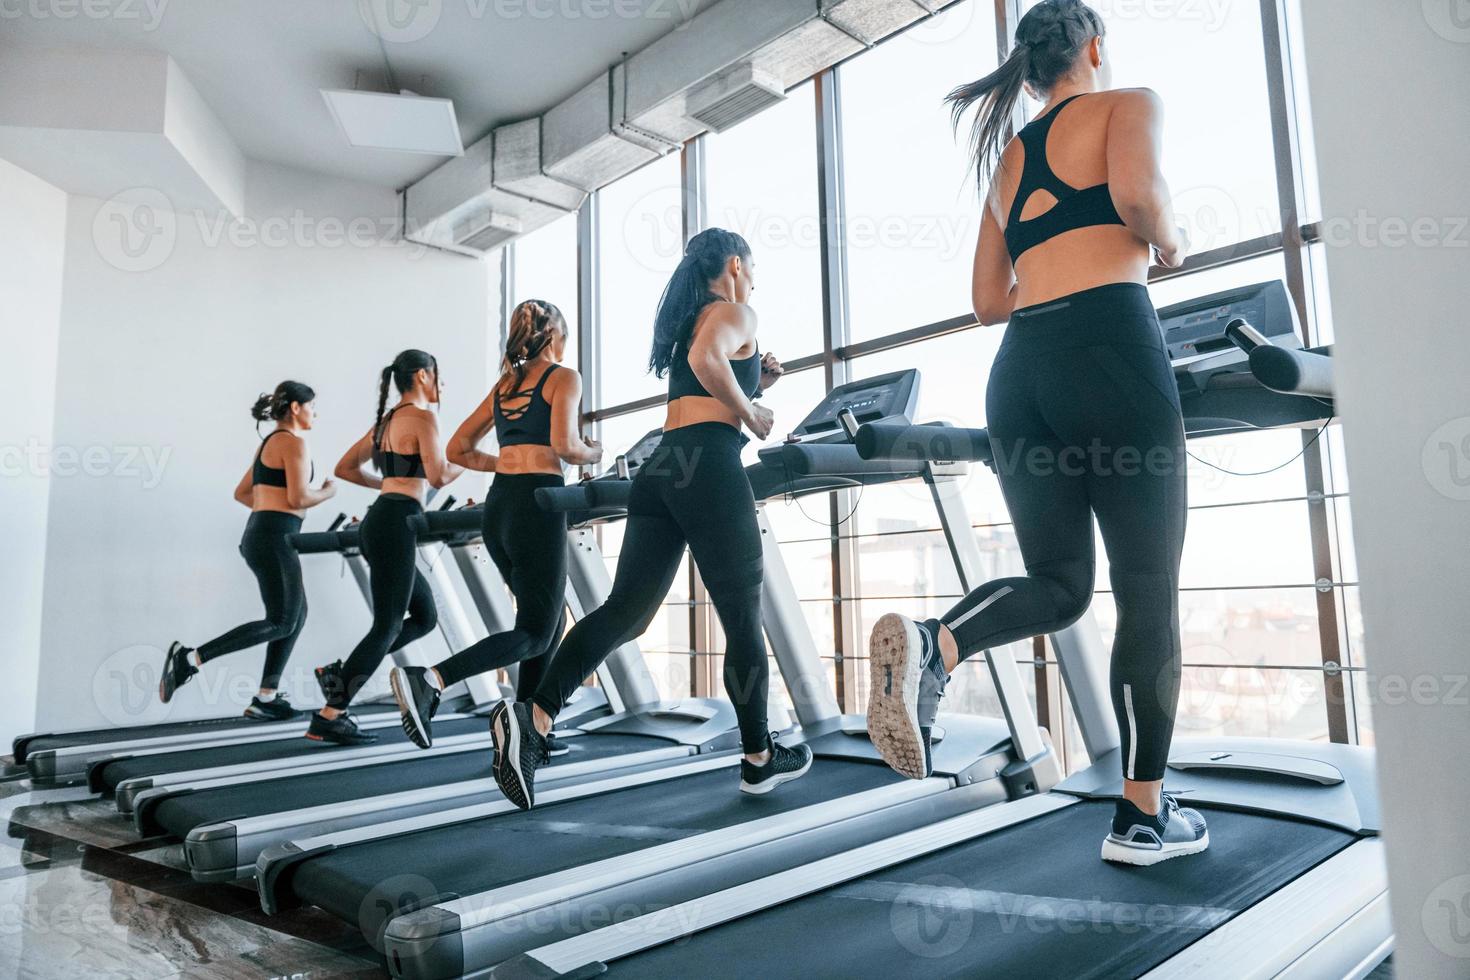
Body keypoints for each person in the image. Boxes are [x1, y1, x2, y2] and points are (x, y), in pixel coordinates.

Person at [864, 0, 1207, 866]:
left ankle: (938, 647)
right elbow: (1136, 197)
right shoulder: (1130, 102)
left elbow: (988, 301)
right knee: (1146, 590)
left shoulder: (1009, 158)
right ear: (1094, 46)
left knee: (1060, 584)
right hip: (1113, 347)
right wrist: (1172, 243)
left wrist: (1057, 303)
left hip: (1020, 374)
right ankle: (1141, 815)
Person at [488, 228, 806, 809]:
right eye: (753, 270)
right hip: (709, 463)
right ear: (735, 265)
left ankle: (533, 720)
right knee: (741, 617)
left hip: (663, 467)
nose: (756, 282)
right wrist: (752, 412)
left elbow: (703, 367)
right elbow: (706, 360)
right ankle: (760, 757)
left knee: (625, 614)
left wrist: (760, 377)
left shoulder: (693, 315)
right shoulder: (738, 310)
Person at [389, 300, 602, 755]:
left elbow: (458, 448)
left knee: (543, 621)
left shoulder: (506, 385)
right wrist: (593, 452)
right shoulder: (564, 377)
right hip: (538, 505)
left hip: (499, 508)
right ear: (555, 335)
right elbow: (566, 445)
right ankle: (430, 680)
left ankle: (529, 727)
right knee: (535, 633)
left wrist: (505, 461)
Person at [309, 350, 464, 745]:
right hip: (395, 524)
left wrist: (388, 487)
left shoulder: (388, 421)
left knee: (425, 615)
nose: (441, 383)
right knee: (388, 625)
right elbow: (440, 475)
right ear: (424, 376)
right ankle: (331, 713)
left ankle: (339, 676)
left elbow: (345, 468)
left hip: (382, 518)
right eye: (439, 375)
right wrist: (475, 458)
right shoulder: (424, 417)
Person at [159, 382, 336, 719]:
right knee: (284, 620)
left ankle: (266, 697)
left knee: (294, 617)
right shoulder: (294, 443)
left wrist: (272, 508)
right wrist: (326, 492)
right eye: (312, 406)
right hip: (275, 537)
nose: (316, 413)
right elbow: (299, 498)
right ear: (296, 408)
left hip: (261, 535)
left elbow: (242, 493)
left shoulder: (269, 443)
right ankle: (190, 659)